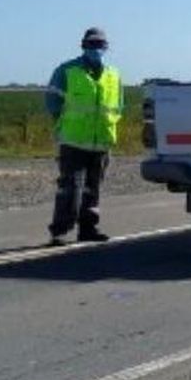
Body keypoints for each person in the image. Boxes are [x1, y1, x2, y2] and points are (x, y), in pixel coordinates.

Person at [45, 27, 123, 244]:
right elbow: (52, 101)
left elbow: (119, 107)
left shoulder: (113, 74)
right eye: (91, 44)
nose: (96, 48)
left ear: (106, 47)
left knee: (93, 188)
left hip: (101, 142)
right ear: (83, 46)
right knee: (69, 187)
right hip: (74, 140)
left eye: (99, 44)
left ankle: (88, 228)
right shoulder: (67, 70)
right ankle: (59, 230)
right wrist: (63, 123)